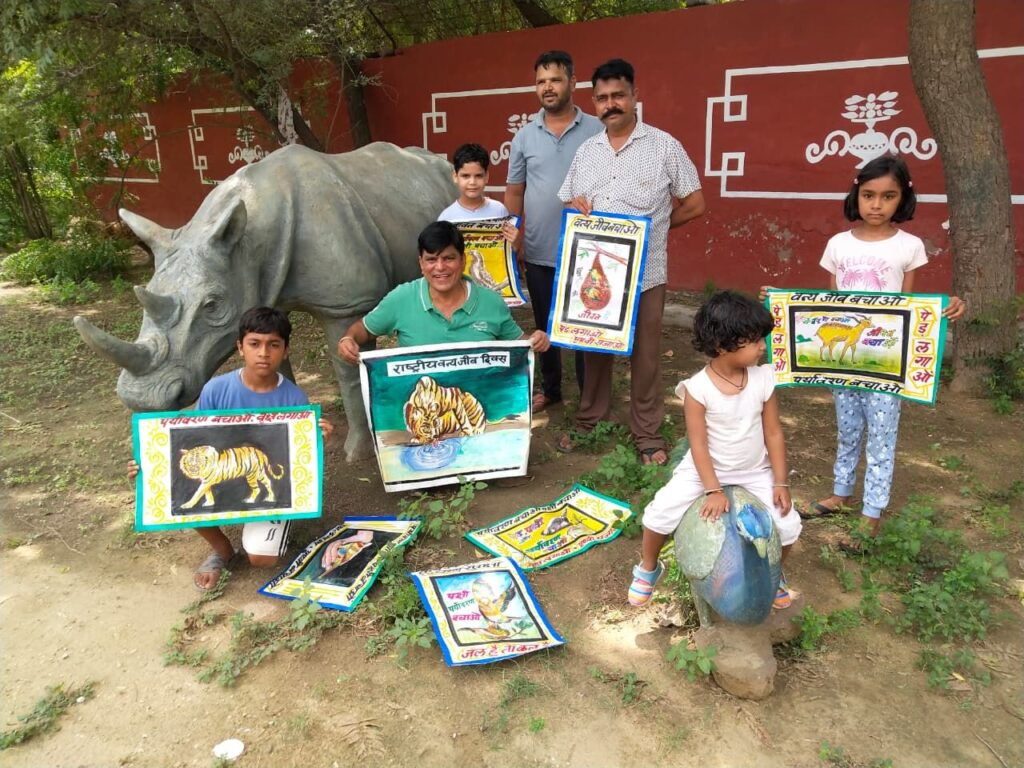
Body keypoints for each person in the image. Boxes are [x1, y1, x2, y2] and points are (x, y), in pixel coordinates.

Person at [769, 155, 964, 550]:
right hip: (845, 361)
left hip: (885, 362)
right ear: (856, 195)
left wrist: (944, 309)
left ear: (902, 198)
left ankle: (871, 513)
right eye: (869, 195)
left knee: (882, 435)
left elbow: (908, 306)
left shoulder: (909, 246)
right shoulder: (837, 245)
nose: (877, 205)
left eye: (888, 196)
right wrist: (779, 302)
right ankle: (841, 493)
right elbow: (830, 304)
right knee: (848, 427)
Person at [558, 58, 706, 465]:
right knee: (593, 348)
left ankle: (647, 434)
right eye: (602, 98)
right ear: (594, 102)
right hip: (596, 275)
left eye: (618, 95)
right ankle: (591, 420)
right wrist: (576, 206)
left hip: (646, 273)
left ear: (635, 95)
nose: (611, 104)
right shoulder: (587, 151)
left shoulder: (664, 146)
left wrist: (653, 231)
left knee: (645, 354)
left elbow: (695, 202)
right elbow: (569, 202)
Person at [128, 306, 335, 591]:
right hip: (222, 470)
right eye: (254, 344)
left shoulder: (294, 398)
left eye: (273, 345)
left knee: (261, 559)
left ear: (286, 351)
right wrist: (148, 466)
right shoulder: (215, 390)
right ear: (240, 348)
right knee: (179, 490)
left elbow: (296, 456)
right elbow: (193, 440)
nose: (264, 353)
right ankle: (222, 550)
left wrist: (317, 440)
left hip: (254, 471)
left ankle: (271, 521)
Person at [627, 291, 802, 609]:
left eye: (762, 339)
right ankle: (649, 567)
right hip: (704, 470)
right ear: (722, 345)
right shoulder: (698, 389)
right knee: (658, 514)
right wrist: (713, 489)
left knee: (789, 526)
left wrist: (780, 481)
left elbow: (774, 432)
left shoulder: (763, 378)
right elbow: (698, 444)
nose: (763, 346)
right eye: (754, 341)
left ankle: (774, 573)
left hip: (754, 470)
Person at [505, 50, 603, 412]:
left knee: (584, 326)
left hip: (587, 251)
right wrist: (513, 238)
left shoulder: (597, 130)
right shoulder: (524, 137)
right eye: (541, 81)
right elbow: (515, 190)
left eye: (555, 80)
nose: (548, 87)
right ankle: (550, 389)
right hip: (539, 250)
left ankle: (589, 395)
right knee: (544, 326)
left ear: (572, 83)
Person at [336, 220, 550, 362]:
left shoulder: (491, 302)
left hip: (480, 411)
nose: (440, 267)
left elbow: (520, 342)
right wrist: (348, 339)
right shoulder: (401, 298)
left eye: (448, 258)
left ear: (463, 260)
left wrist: (536, 339)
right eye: (431, 259)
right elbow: (364, 329)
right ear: (421, 263)